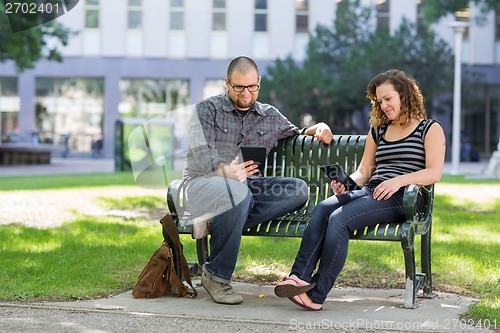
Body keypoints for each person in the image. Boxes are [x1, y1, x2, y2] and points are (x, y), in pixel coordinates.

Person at [274, 69, 446, 311]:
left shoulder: (430, 129)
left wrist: (398, 181)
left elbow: (434, 172)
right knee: (324, 208)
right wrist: (346, 183)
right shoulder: (379, 130)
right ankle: (298, 277)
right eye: (379, 101)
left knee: (340, 219)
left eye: (388, 99)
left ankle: (317, 294)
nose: (383, 105)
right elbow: (365, 172)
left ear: (404, 94)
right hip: (372, 192)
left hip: (403, 199)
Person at [182, 56, 333, 305]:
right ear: (227, 83)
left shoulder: (269, 115)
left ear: (259, 82)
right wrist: (224, 171)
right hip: (203, 186)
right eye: (239, 87)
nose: (246, 93)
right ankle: (216, 275)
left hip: (247, 190)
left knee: (298, 190)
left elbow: (296, 132)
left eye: (252, 87)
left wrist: (319, 127)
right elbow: (200, 153)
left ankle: (218, 220)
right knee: (237, 193)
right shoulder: (206, 110)